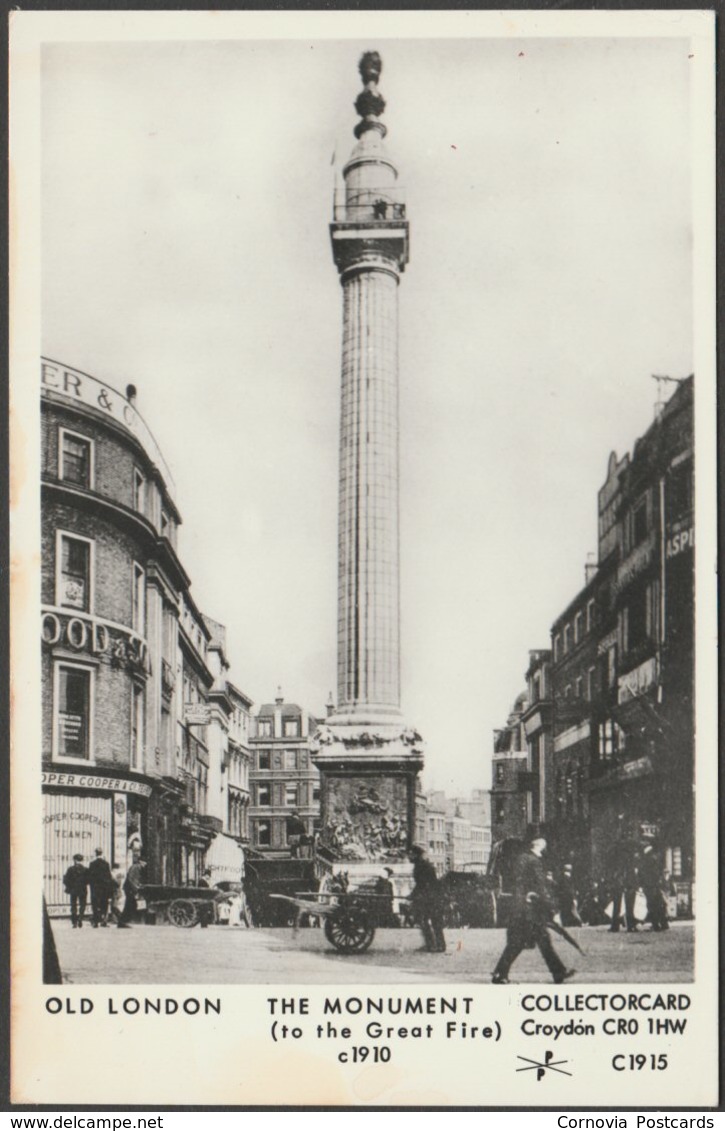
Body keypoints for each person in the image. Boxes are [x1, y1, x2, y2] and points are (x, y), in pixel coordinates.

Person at [492, 836, 574, 985]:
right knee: (536, 942)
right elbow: (540, 887)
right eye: (543, 842)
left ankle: (558, 972)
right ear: (538, 844)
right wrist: (552, 907)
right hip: (530, 912)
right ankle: (500, 973)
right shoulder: (534, 861)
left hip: (521, 908)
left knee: (527, 943)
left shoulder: (521, 859)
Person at [408, 845, 446, 952]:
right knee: (429, 921)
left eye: (410, 854)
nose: (409, 857)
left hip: (430, 897)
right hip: (430, 895)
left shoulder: (421, 866)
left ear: (415, 855)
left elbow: (422, 883)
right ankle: (435, 944)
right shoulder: (421, 864)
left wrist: (413, 894)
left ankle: (436, 945)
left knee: (430, 921)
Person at [639, 844, 669, 932]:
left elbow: (642, 874)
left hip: (649, 886)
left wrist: (642, 884)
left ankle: (656, 925)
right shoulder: (655, 859)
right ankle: (664, 923)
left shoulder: (646, 860)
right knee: (659, 904)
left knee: (651, 905)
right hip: (656, 885)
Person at [87, 847, 114, 927]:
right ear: (101, 853)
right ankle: (104, 921)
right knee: (104, 904)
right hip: (104, 888)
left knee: (95, 904)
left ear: (95, 853)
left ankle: (95, 922)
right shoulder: (106, 864)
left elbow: (90, 877)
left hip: (95, 888)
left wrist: (92, 885)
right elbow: (108, 877)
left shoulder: (92, 864)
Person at [118, 857, 146, 928]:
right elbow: (132, 879)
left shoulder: (136, 867)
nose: (145, 864)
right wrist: (136, 888)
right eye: (144, 862)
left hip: (129, 888)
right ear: (140, 862)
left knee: (130, 905)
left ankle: (123, 921)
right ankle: (122, 921)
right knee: (130, 905)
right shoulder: (137, 867)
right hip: (130, 889)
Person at [63, 853, 89, 928]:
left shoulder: (70, 869)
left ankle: (74, 922)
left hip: (73, 889)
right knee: (83, 905)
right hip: (83, 889)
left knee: (73, 905)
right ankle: (80, 919)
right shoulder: (85, 869)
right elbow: (88, 880)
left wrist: (69, 886)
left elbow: (66, 880)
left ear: (74, 860)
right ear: (82, 860)